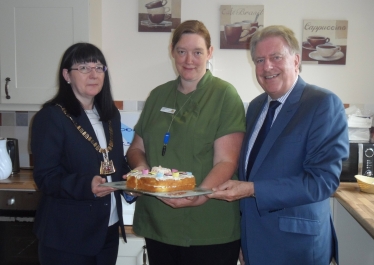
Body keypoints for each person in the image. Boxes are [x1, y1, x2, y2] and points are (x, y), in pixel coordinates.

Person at [208, 25, 349, 265]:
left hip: (298, 247)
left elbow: (322, 182)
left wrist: (252, 189)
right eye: (260, 60)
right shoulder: (255, 107)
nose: (267, 67)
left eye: (276, 57)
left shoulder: (322, 104)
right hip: (255, 242)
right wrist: (244, 239)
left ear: (295, 60)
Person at [126, 20, 246, 265]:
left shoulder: (225, 95)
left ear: (210, 53)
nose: (189, 60)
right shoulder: (158, 95)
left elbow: (226, 160)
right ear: (172, 52)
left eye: (197, 52)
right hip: (158, 221)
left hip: (209, 226)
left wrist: (199, 195)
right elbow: (136, 149)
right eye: (182, 51)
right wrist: (141, 171)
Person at [31, 42, 128, 265]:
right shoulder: (51, 117)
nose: (93, 74)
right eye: (84, 68)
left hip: (107, 229)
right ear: (67, 75)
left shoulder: (110, 115)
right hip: (67, 237)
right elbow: (45, 177)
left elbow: (115, 164)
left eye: (99, 67)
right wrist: (86, 185)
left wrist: (134, 179)